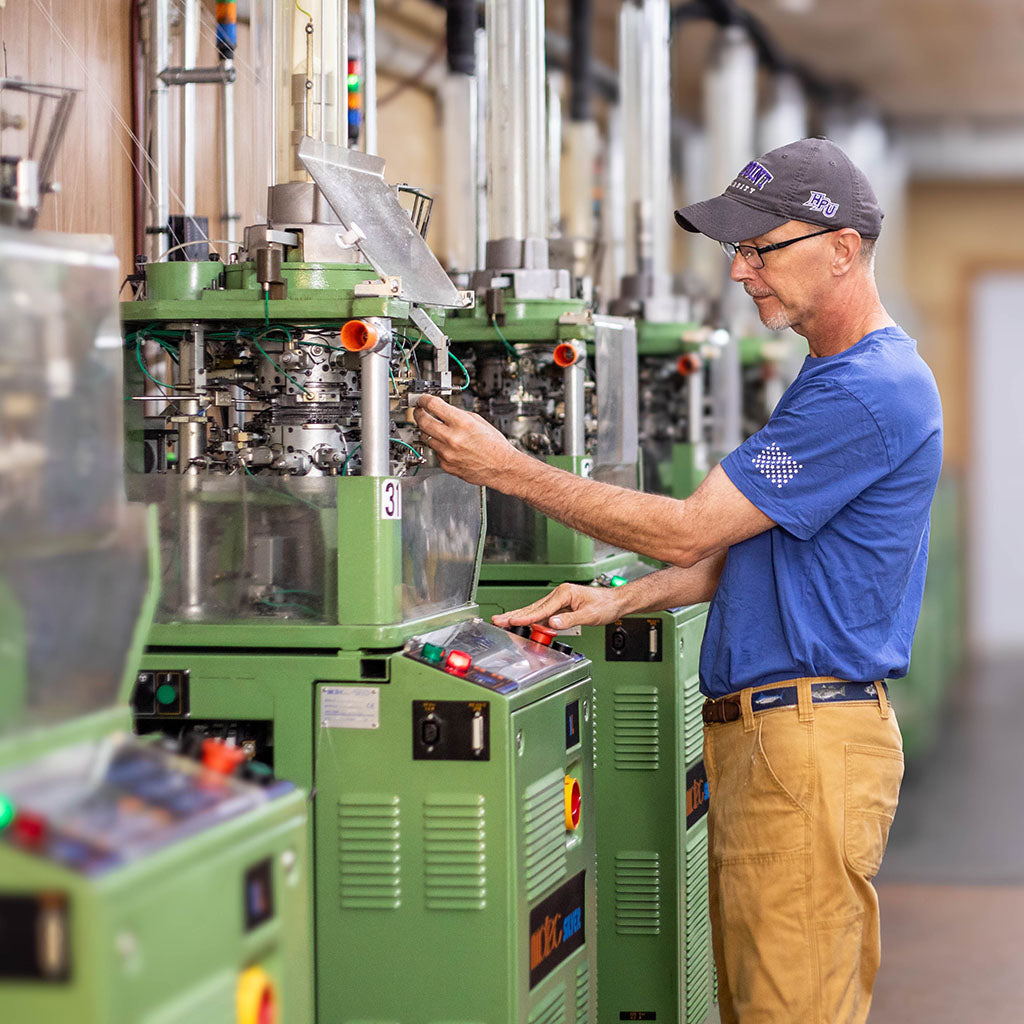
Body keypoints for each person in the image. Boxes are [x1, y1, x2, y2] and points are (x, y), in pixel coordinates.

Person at [413, 136, 942, 1024]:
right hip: (781, 742)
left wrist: (509, 469)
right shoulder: (832, 376)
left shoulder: (867, 388)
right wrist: (623, 599)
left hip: (806, 747)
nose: (740, 272)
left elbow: (696, 524)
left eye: (758, 248)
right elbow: (759, 552)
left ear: (841, 247)